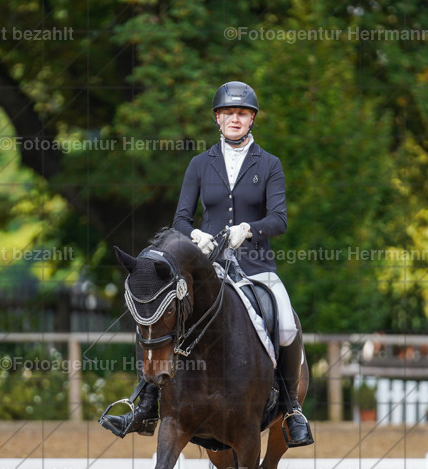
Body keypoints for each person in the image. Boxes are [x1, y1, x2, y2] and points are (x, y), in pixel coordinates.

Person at [100, 81, 313, 447]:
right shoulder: (200, 164)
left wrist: (247, 229)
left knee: (286, 322)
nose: (235, 118)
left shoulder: (270, 164)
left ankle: (291, 408)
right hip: (207, 267)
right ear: (217, 118)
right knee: (163, 312)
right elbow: (181, 218)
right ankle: (147, 403)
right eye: (228, 113)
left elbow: (279, 219)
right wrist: (195, 236)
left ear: (251, 119)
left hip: (255, 264)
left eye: (242, 113)